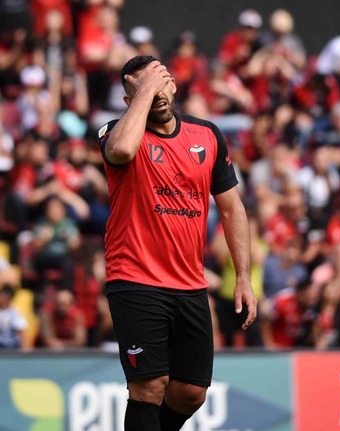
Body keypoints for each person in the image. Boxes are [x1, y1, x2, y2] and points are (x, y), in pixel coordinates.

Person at [97, 55, 257, 431]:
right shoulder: (115, 132)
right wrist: (145, 90)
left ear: (174, 84)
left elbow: (232, 208)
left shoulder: (208, 135)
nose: (157, 93)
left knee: (191, 392)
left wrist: (244, 276)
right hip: (134, 278)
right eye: (143, 88)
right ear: (130, 100)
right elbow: (121, 151)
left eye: (161, 82)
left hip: (189, 283)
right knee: (149, 387)